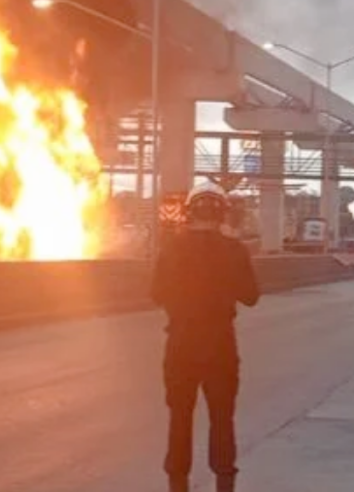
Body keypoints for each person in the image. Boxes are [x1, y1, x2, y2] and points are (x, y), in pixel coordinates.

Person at [150, 183, 260, 492]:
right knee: (222, 419)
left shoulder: (172, 247)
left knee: (180, 418)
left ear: (189, 212)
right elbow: (251, 296)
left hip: (180, 345)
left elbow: (156, 293)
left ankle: (177, 485)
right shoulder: (234, 250)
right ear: (223, 213)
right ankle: (224, 484)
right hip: (220, 346)